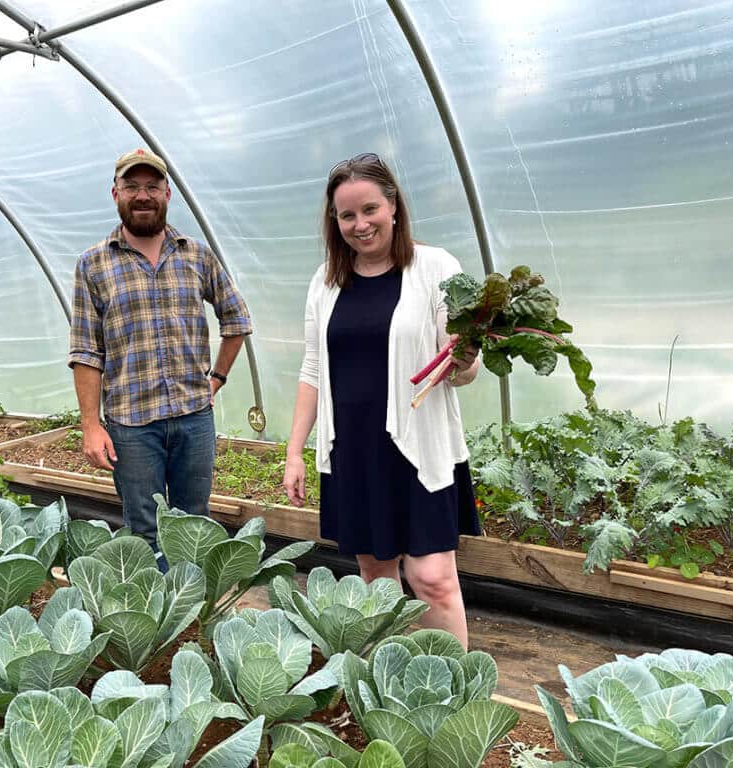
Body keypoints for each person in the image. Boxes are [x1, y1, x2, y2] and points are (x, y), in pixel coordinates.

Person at [282, 153, 482, 647]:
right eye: (347, 215)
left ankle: (453, 693)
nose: (360, 224)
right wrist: (295, 451)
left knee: (434, 580)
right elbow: (312, 369)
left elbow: (461, 369)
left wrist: (467, 355)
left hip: (417, 451)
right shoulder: (325, 280)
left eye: (369, 209)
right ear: (335, 220)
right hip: (352, 452)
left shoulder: (436, 269)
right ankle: (395, 686)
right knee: (378, 581)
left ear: (393, 205)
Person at [69, 148, 252, 569]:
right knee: (145, 530)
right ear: (115, 193)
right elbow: (85, 350)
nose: (143, 195)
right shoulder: (94, 264)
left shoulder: (196, 255)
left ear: (168, 193)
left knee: (193, 525)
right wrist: (91, 425)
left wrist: (217, 379)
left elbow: (237, 319)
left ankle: (191, 613)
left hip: (193, 416)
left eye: (152, 186)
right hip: (132, 426)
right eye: (132, 186)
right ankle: (157, 623)